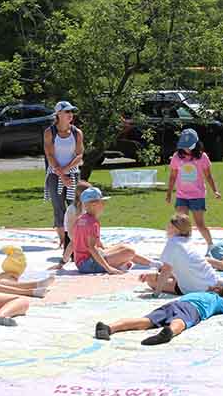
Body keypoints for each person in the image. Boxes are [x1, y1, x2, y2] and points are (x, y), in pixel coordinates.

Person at [94, 285, 223, 345]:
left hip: (173, 303)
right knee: (181, 320)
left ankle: (109, 327)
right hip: (192, 309)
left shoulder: (196, 293)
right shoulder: (217, 299)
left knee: (145, 321)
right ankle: (169, 332)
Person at [72, 187, 159, 274]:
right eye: (102, 202)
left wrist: (107, 250)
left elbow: (75, 242)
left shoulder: (80, 219)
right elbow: (92, 248)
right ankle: (122, 264)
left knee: (122, 247)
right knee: (129, 252)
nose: (104, 204)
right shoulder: (92, 223)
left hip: (83, 262)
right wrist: (108, 268)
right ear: (94, 204)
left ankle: (152, 263)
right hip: (88, 264)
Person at [166, 129, 221, 248]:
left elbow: (208, 175)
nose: (187, 149)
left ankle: (211, 245)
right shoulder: (176, 157)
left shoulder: (202, 157)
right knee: (180, 224)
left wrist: (215, 190)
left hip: (197, 196)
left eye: (189, 146)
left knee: (200, 224)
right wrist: (169, 193)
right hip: (182, 196)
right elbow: (172, 176)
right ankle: (183, 247)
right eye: (184, 147)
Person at [140, 214, 220, 295]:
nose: (166, 229)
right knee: (152, 276)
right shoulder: (187, 241)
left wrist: (156, 293)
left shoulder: (172, 243)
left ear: (175, 229)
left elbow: (166, 270)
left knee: (150, 282)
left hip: (195, 288)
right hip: (212, 281)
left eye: (169, 226)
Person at [44, 101, 84, 249]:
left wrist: (67, 170)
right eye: (67, 112)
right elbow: (50, 155)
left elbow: (80, 155)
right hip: (55, 174)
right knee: (58, 207)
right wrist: (61, 175)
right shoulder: (50, 132)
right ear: (58, 114)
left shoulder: (77, 133)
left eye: (71, 112)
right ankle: (63, 241)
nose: (70, 114)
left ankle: (77, 238)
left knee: (75, 206)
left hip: (72, 173)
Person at [54, 180, 92, 269]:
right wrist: (78, 239)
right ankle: (62, 263)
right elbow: (71, 231)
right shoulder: (73, 209)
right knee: (73, 245)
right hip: (72, 233)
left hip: (81, 232)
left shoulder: (86, 206)